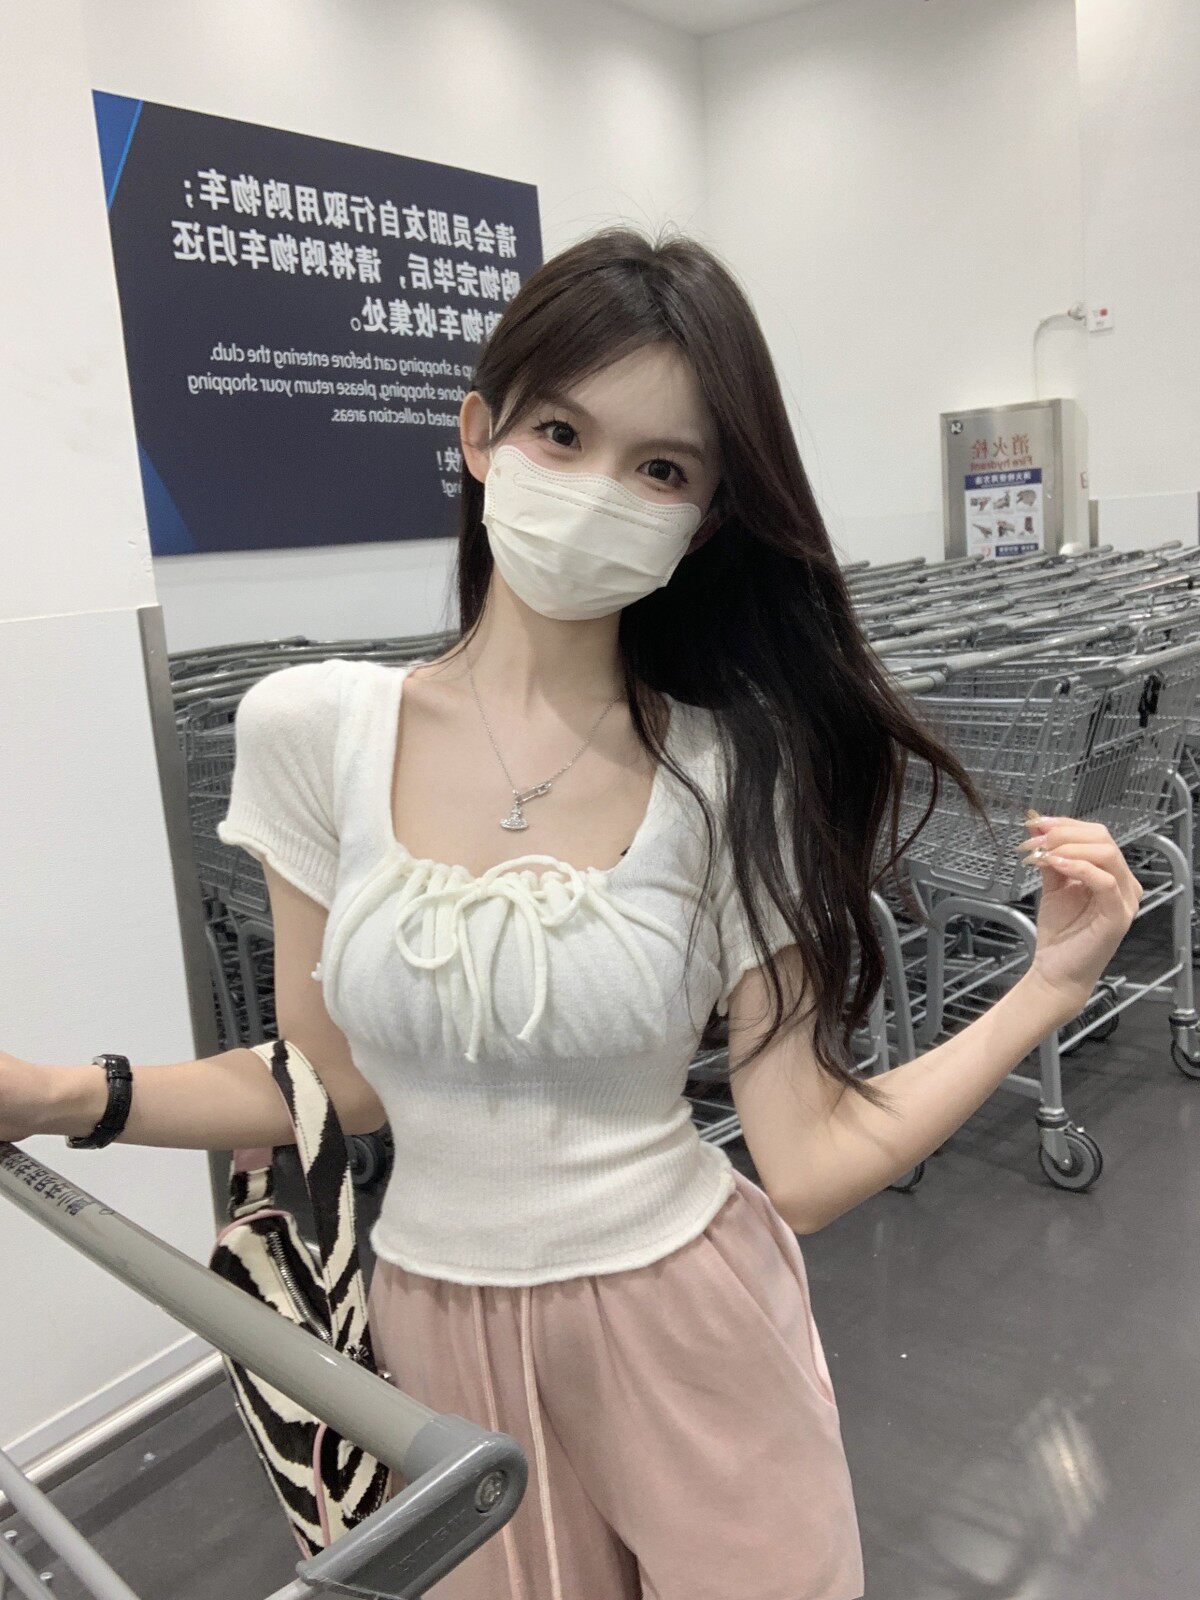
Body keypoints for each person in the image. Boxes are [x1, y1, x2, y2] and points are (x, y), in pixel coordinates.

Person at [1, 226, 1143, 1600]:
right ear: (479, 435)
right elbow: (326, 1081)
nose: (600, 491)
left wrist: (1047, 986)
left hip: (690, 1320)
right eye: (562, 432)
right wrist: (62, 1094)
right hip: (434, 1339)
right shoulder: (310, 731)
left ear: (703, 519)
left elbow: (808, 1158)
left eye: (660, 468)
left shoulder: (735, 771)